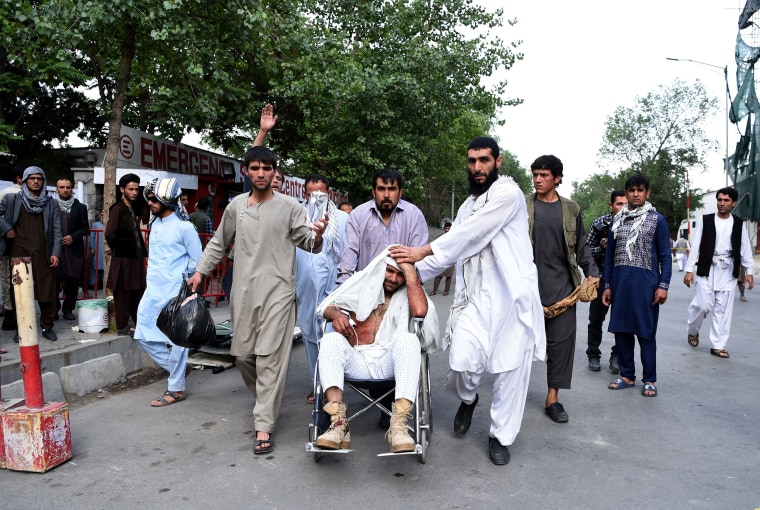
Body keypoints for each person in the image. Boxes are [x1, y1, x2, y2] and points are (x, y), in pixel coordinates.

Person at [390, 136, 546, 466]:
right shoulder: (465, 206)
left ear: (498, 162)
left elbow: (470, 234)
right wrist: (406, 270)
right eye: (472, 161)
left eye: (484, 160)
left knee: (509, 372)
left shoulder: (508, 193)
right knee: (461, 362)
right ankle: (469, 399)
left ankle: (499, 436)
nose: (477, 167)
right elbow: (452, 249)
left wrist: (422, 249)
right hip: (474, 300)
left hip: (510, 302)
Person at [187, 146, 327, 455]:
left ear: (275, 172)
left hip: (279, 293)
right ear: (246, 172)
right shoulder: (237, 206)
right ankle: (267, 398)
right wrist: (200, 272)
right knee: (243, 357)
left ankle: (263, 425)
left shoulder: (290, 206)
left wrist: (318, 235)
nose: (261, 173)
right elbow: (218, 244)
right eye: (255, 168)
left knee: (269, 358)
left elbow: (309, 244)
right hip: (244, 294)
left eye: (267, 168)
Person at [314, 250, 438, 453]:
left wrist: (409, 269)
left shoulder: (410, 292)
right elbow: (328, 306)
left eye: (400, 274)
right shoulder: (362, 285)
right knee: (330, 340)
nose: (393, 278)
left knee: (409, 339)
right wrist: (336, 314)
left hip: (392, 362)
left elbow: (420, 313)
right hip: (358, 359)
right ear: (381, 269)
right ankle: (338, 424)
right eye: (390, 271)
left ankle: (398, 427)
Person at [527, 155, 598, 423]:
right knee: (519, 345)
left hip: (563, 290)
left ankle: (553, 398)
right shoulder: (522, 206)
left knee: (560, 346)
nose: (537, 179)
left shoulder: (571, 209)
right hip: (527, 290)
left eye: (544, 175)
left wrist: (591, 271)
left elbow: (581, 246)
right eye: (535, 174)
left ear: (557, 178)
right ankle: (512, 394)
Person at [135, 178, 201, 407]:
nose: (150, 202)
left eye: (154, 199)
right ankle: (179, 370)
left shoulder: (185, 227)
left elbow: (197, 259)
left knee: (178, 340)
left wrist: (186, 280)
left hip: (176, 291)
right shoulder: (155, 225)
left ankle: (176, 388)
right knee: (142, 335)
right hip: (153, 290)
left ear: (167, 200)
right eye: (149, 199)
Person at [604, 174, 671, 397]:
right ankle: (627, 375)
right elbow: (609, 256)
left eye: (640, 190)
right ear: (626, 193)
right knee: (622, 330)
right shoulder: (617, 220)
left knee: (646, 332)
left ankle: (649, 379)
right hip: (620, 282)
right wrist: (607, 285)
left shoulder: (657, 220)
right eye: (631, 190)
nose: (635, 194)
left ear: (647, 193)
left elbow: (665, 256)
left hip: (647, 284)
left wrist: (663, 285)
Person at [295, 175, 349, 403]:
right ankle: (316, 384)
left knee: (331, 336)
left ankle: (334, 386)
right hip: (306, 287)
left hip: (335, 289)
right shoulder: (298, 217)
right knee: (309, 335)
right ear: (305, 194)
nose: (316, 199)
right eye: (311, 194)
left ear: (330, 194)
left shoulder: (343, 219)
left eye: (322, 194)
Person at [684, 187, 754, 359]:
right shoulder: (706, 220)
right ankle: (693, 330)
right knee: (702, 305)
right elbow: (696, 245)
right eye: (720, 200)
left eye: (726, 200)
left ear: (733, 203)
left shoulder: (738, 223)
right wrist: (688, 269)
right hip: (707, 267)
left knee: (723, 309)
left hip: (728, 269)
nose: (722, 203)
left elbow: (745, 248)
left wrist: (749, 272)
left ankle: (718, 344)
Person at [0, 166, 62, 342]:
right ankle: (22, 327)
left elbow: (57, 230)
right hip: (19, 251)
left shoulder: (51, 203)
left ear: (43, 181)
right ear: (25, 180)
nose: (35, 181)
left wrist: (56, 253)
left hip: (44, 252)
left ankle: (46, 326)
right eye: (32, 178)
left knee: (48, 290)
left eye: (39, 178)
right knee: (19, 291)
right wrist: (7, 229)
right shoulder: (13, 199)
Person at [337, 168, 428, 285]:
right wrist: (342, 294)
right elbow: (348, 260)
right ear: (373, 192)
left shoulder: (414, 215)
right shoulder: (358, 215)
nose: (386, 195)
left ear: (400, 192)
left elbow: (418, 260)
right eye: (381, 189)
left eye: (392, 189)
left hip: (401, 290)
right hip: (365, 289)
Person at [585, 190, 627, 373]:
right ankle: (593, 354)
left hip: (623, 279)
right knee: (596, 319)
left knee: (622, 321)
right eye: (619, 204)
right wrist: (602, 248)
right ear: (611, 205)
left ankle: (617, 356)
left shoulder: (635, 225)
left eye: (626, 204)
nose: (623, 208)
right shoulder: (600, 224)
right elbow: (586, 251)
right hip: (601, 277)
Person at [105, 173, 147, 336]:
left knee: (137, 291)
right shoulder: (117, 208)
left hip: (134, 258)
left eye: (136, 189)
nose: (134, 192)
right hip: (123, 258)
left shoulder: (131, 208)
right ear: (122, 189)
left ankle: (139, 325)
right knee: (122, 292)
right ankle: (122, 326)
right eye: (131, 189)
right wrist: (117, 247)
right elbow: (110, 233)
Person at [55, 177, 89, 320]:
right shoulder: (51, 205)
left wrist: (73, 237)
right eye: (62, 187)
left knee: (73, 281)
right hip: (56, 250)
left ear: (72, 189)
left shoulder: (80, 207)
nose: (65, 190)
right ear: (57, 189)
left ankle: (68, 309)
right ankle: (53, 310)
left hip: (74, 250)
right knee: (54, 282)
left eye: (68, 187)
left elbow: (85, 228)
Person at [0, 165, 23, 327]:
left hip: (7, 246)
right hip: (15, 245)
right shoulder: (9, 194)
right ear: (19, 178)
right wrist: (7, 229)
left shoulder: (4, 193)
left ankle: (9, 311)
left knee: (7, 278)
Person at [429, 222, 454, 296]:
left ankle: (446, 291)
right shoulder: (440, 237)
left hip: (451, 259)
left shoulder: (454, 237)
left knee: (449, 276)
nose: (447, 230)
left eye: (449, 228)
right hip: (441, 259)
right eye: (446, 228)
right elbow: (433, 245)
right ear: (444, 229)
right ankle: (434, 290)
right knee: (438, 275)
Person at [88, 210, 105, 292]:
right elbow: (92, 236)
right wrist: (92, 247)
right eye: (102, 214)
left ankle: (103, 283)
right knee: (95, 266)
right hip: (97, 248)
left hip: (105, 249)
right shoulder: (96, 225)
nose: (103, 216)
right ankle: (94, 284)